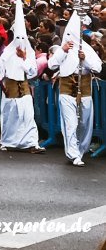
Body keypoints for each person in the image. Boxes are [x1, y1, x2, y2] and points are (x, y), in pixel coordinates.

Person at [0, 0, 45, 153]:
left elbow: (32, 72)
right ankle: (9, 141)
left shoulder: (29, 53)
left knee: (27, 115)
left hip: (23, 88)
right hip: (9, 89)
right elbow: (0, 70)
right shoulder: (7, 54)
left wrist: (24, 59)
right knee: (10, 116)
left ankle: (31, 143)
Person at [48, 11, 102, 166]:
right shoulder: (62, 48)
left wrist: (84, 60)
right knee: (70, 123)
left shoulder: (87, 49)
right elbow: (52, 65)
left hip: (84, 90)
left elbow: (97, 67)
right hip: (66, 90)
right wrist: (62, 51)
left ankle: (81, 148)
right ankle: (73, 154)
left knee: (84, 122)